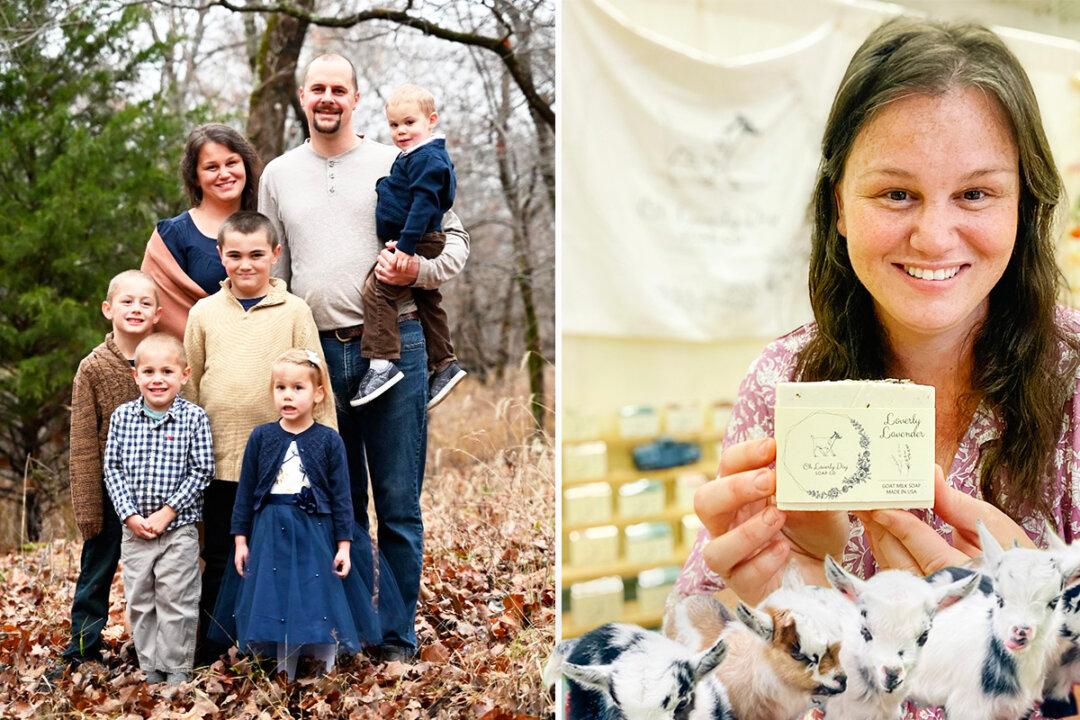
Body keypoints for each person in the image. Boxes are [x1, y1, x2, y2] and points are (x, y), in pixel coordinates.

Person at [677, 17, 1079, 719]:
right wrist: (767, 610)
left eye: (976, 194)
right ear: (838, 204)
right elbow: (690, 678)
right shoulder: (782, 381)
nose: (934, 236)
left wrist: (1034, 631)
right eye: (896, 194)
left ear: (1025, 202)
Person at [260, 52, 470, 662]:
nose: (328, 98)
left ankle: (396, 638)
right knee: (340, 503)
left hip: (397, 346)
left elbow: (455, 242)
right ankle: (352, 630)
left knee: (398, 506)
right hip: (317, 358)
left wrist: (417, 270)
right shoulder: (278, 174)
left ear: (355, 98)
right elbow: (271, 268)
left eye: (339, 89)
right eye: (318, 88)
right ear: (304, 96)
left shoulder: (399, 158)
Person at [183, 210, 332, 666]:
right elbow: (190, 387)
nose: (245, 264)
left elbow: (318, 382)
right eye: (234, 255)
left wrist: (325, 455)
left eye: (255, 255)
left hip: (279, 464)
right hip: (220, 459)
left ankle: (274, 645)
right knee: (221, 554)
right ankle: (215, 647)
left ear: (275, 254)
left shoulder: (295, 312)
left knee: (277, 554)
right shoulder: (204, 313)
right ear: (220, 256)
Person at [208, 349, 399, 679]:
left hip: (316, 532)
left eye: (298, 388)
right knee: (278, 593)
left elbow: (342, 499)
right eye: (280, 388)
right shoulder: (261, 437)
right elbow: (246, 493)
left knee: (316, 594)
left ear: (318, 394)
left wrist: (343, 546)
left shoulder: (329, 440)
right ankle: (286, 670)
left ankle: (324, 668)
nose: (288, 395)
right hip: (270, 531)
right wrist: (240, 540)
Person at [58, 270, 163, 675]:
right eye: (126, 301)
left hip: (157, 490)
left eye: (145, 303)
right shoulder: (93, 368)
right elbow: (83, 442)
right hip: (108, 491)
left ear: (157, 314)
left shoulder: (164, 360)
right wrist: (88, 508)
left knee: (159, 573)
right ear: (108, 309)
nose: (136, 309)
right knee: (97, 571)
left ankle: (159, 647)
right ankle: (83, 647)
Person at [103, 333, 214, 684]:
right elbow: (112, 469)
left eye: (167, 371)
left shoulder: (194, 418)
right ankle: (151, 669)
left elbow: (202, 470)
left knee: (176, 599)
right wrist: (130, 515)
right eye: (149, 371)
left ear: (184, 374)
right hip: (135, 531)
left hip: (178, 530)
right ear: (135, 375)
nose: (158, 379)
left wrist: (168, 512)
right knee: (140, 600)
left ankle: (176, 669)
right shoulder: (122, 418)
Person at [351, 83, 466, 409]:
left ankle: (381, 364)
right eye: (394, 125)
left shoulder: (426, 158)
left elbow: (424, 206)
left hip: (419, 240)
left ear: (431, 120)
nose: (401, 131)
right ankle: (444, 363)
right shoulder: (416, 155)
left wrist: (405, 247)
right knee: (428, 301)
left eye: (409, 122)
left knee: (378, 288)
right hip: (418, 238)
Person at [142, 123, 261, 339]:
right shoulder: (172, 236)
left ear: (245, 164)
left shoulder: (268, 223)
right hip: (190, 354)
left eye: (231, 163)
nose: (224, 174)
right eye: (211, 167)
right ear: (195, 177)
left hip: (267, 352)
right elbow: (148, 307)